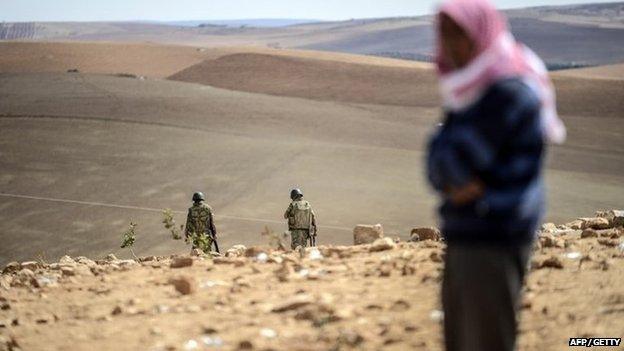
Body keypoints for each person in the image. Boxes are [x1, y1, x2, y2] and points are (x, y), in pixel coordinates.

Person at [426, 1, 566, 350]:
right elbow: (435, 165)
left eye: (457, 33)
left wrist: (450, 168)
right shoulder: (468, 92)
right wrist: (450, 171)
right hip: (466, 232)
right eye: (442, 32)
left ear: (480, 34)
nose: (448, 43)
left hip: (494, 235)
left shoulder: (507, 91)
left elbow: (456, 158)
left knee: (486, 340)